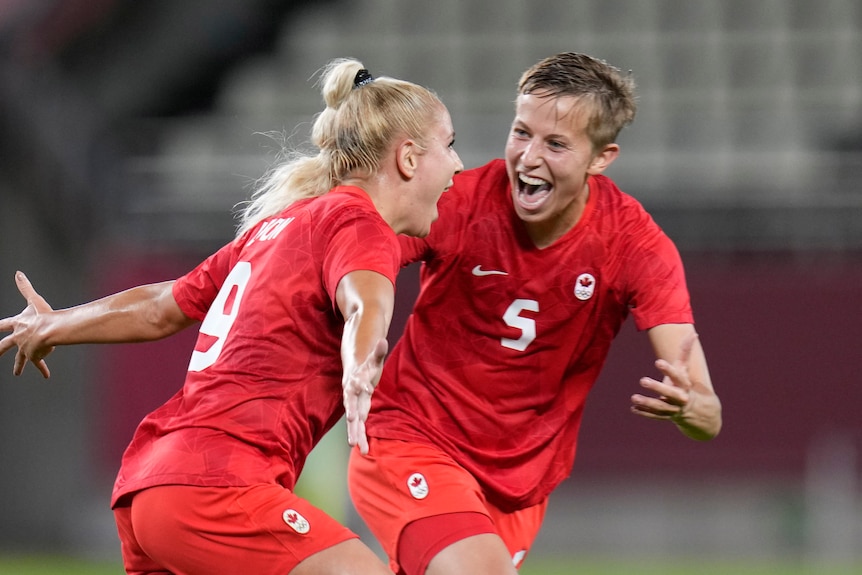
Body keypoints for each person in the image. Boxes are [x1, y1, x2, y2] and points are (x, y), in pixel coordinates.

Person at [0, 57, 463, 575]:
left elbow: (159, 308)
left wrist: (55, 323)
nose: (457, 165)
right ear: (406, 158)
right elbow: (364, 299)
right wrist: (361, 354)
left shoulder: (281, 226)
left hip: (153, 487)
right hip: (217, 486)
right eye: (448, 145)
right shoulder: (359, 226)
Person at [347, 52, 723, 575]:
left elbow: (704, 407)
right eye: (521, 132)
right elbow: (360, 250)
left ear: (601, 157)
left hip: (518, 487)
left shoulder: (634, 246)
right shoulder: (460, 203)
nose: (528, 157)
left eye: (556, 144)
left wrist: (695, 412)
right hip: (412, 439)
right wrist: (364, 314)